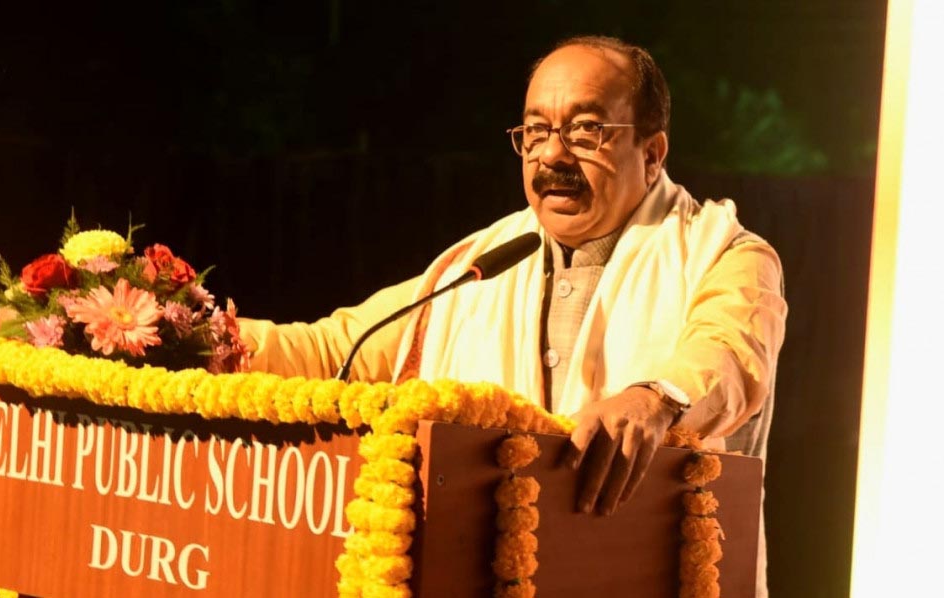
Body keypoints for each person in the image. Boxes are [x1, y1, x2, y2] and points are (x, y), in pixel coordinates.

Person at [241, 35, 786, 595]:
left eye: (586, 130)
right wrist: (208, 333)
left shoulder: (724, 255)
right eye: (536, 132)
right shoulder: (480, 265)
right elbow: (336, 350)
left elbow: (728, 355)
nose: (552, 155)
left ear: (652, 153)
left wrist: (654, 400)